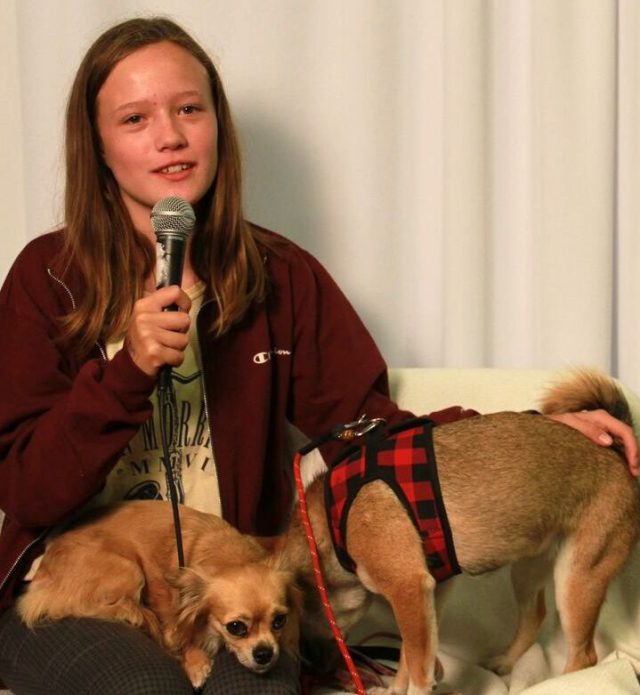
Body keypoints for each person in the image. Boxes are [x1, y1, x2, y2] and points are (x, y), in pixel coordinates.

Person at [0, 16, 636, 695]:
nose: (171, 136)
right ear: (97, 146)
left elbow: (372, 428)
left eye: (190, 108)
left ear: (218, 123)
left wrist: (536, 436)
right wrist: (127, 374)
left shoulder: (279, 273)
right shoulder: (48, 277)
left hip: (235, 591)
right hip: (82, 585)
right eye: (135, 118)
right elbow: (29, 489)